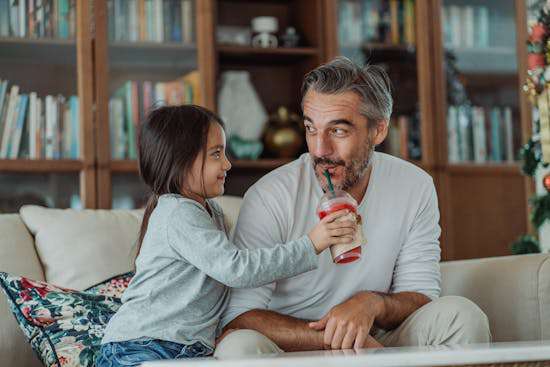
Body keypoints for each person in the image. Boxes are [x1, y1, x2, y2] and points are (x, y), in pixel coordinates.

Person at [216, 57, 491, 358]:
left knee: (461, 316)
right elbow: (240, 316)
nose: (320, 150)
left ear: (378, 130)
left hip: (377, 335)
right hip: (293, 346)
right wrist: (335, 338)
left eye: (338, 131)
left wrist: (372, 303)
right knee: (238, 346)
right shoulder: (271, 195)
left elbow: (421, 294)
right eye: (311, 128)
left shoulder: (414, 185)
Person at [95, 105, 357, 367]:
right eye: (216, 154)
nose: (227, 164)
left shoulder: (211, 212)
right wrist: (311, 245)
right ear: (181, 160)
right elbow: (237, 269)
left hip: (179, 349)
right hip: (141, 346)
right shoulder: (178, 213)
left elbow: (219, 284)